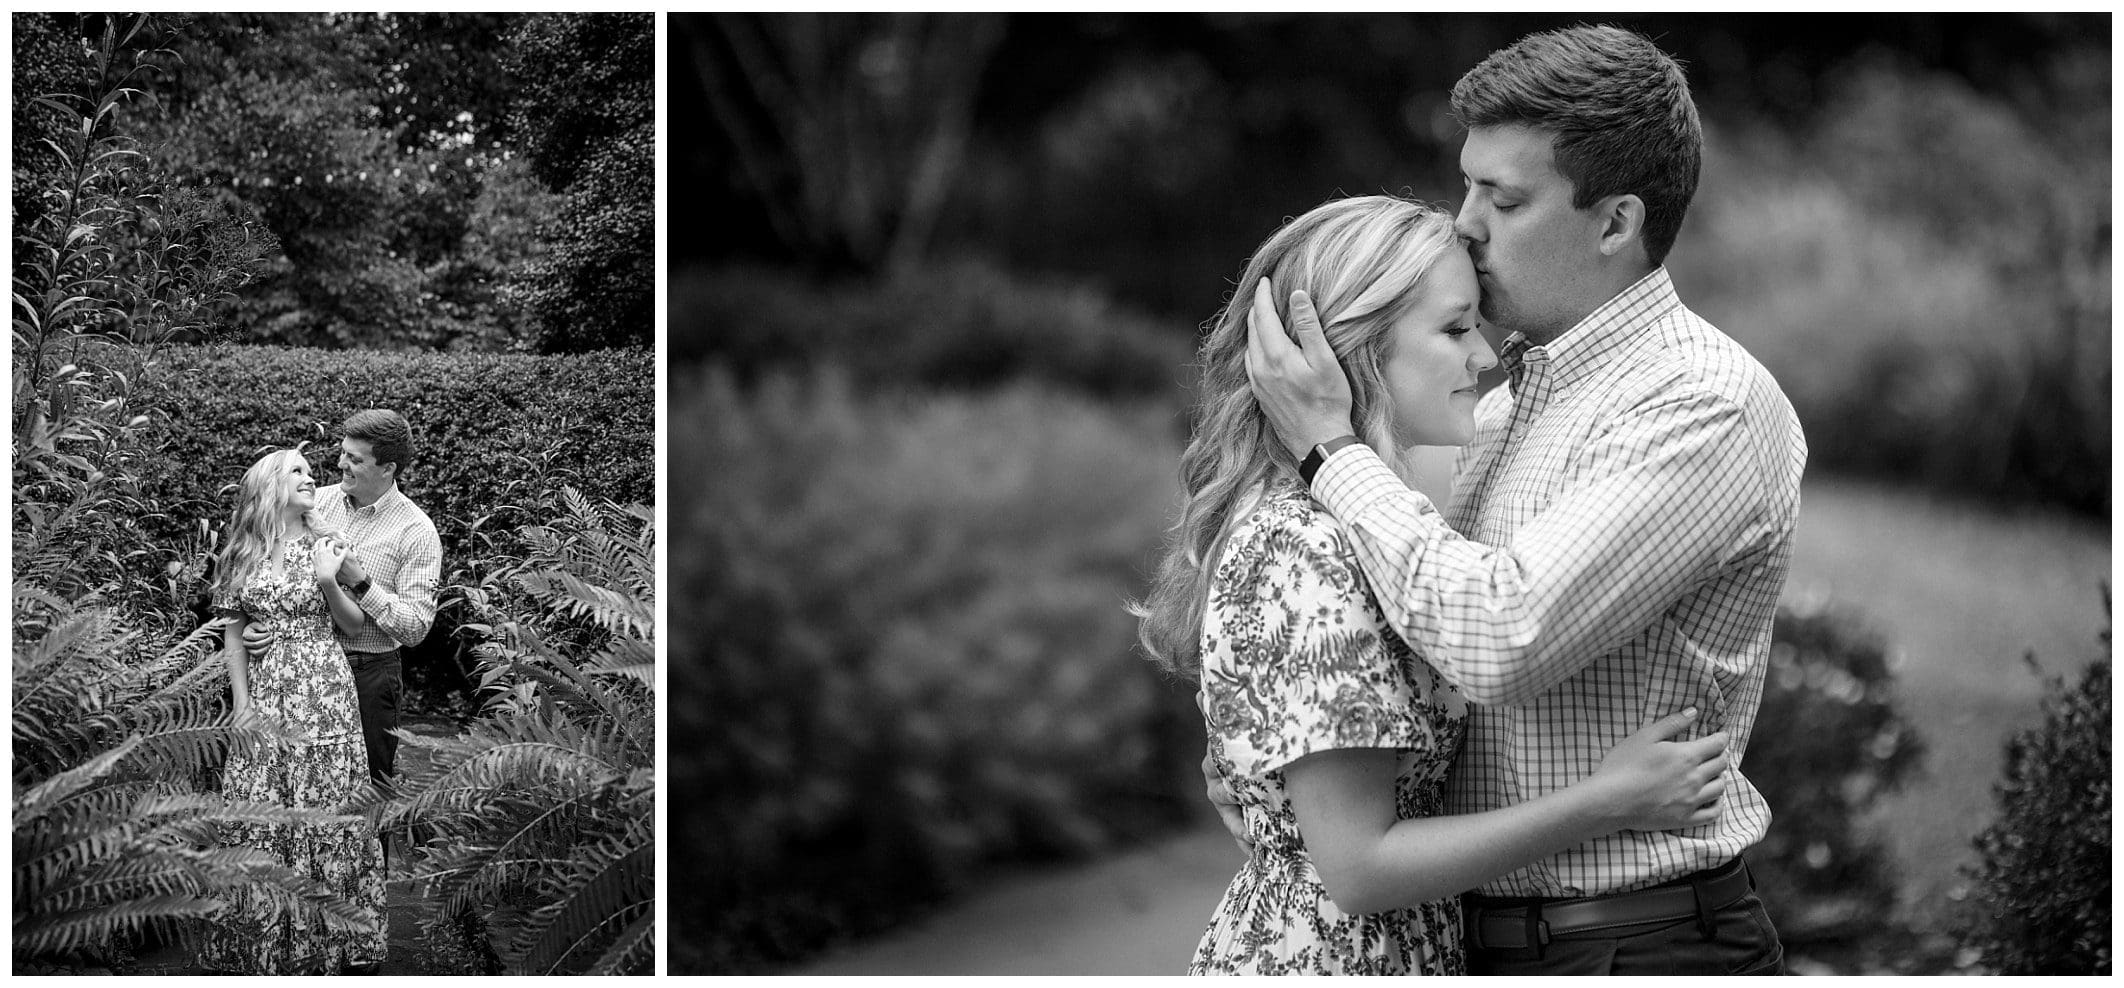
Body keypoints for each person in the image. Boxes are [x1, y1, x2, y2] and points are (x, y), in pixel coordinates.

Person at [1240, 25, 1805, 975]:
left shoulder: (1703, 403)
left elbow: (1499, 634)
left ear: (1615, 223)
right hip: (1476, 940)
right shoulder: (1503, 400)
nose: (1463, 222)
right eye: (1467, 185)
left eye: (1502, 199)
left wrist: (1329, 449)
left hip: (1636, 946)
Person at [1136, 195, 1733, 976]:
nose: (1485, 356)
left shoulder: (1359, 519)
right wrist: (1603, 801)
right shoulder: (1303, 546)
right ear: (1357, 348)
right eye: (1454, 329)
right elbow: (1360, 868)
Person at [202, 449, 387, 973]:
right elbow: (234, 630)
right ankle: (264, 938)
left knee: (324, 804)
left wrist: (329, 580)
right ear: (269, 485)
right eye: (298, 472)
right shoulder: (240, 549)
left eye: (311, 472)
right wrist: (239, 703)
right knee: (260, 799)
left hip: (323, 692)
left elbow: (353, 627)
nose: (311, 479)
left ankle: (330, 940)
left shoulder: (326, 544)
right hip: (264, 691)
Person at [245, 409, 441, 785]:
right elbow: (269, 570)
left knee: (366, 791)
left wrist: (361, 582)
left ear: (388, 468)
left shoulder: (416, 531)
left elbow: (416, 629)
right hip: (299, 673)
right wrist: (259, 625)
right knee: (298, 781)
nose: (341, 464)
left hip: (368, 674)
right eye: (343, 453)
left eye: (355, 459)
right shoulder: (315, 503)